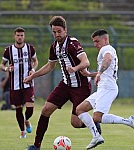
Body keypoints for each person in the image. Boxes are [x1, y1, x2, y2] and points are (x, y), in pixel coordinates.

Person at [24, 16, 100, 150]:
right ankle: (36, 146)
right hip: (65, 85)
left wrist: (75, 68)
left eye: (59, 31)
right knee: (46, 110)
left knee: (75, 123)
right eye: (54, 32)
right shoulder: (54, 47)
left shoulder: (73, 43)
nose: (57, 34)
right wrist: (33, 76)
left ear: (65, 30)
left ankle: (94, 123)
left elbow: (86, 62)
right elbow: (49, 66)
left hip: (81, 87)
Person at [76, 29, 134, 149]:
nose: (95, 44)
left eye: (97, 41)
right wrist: (90, 74)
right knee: (80, 109)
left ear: (105, 39)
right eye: (94, 42)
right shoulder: (108, 50)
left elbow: (108, 60)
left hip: (108, 87)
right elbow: (105, 69)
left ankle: (129, 121)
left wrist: (98, 74)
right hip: (103, 88)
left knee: (97, 117)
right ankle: (96, 136)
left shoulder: (106, 49)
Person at [0, 27, 39, 139]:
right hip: (15, 85)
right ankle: (22, 131)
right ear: (14, 36)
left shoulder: (30, 48)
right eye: (18, 35)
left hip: (28, 83)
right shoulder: (9, 50)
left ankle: (26, 120)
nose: (20, 37)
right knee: (18, 108)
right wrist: (7, 69)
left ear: (24, 36)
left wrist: (33, 70)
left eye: (22, 35)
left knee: (30, 107)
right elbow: (2, 65)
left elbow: (35, 61)